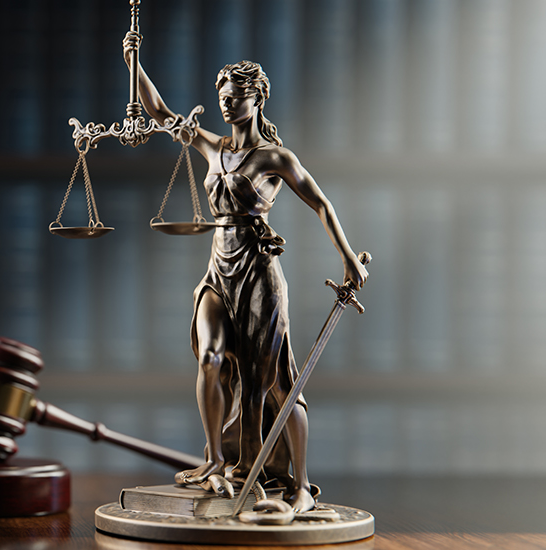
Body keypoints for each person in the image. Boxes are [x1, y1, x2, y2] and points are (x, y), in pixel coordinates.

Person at [122, 32, 368, 513]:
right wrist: (133, 62)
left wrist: (349, 257)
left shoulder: (276, 158)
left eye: (236, 98)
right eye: (222, 99)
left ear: (257, 100)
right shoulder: (212, 148)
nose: (227, 105)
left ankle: (292, 483)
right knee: (210, 359)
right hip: (219, 266)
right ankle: (216, 460)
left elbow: (320, 203)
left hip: (259, 271)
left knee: (269, 382)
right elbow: (159, 113)